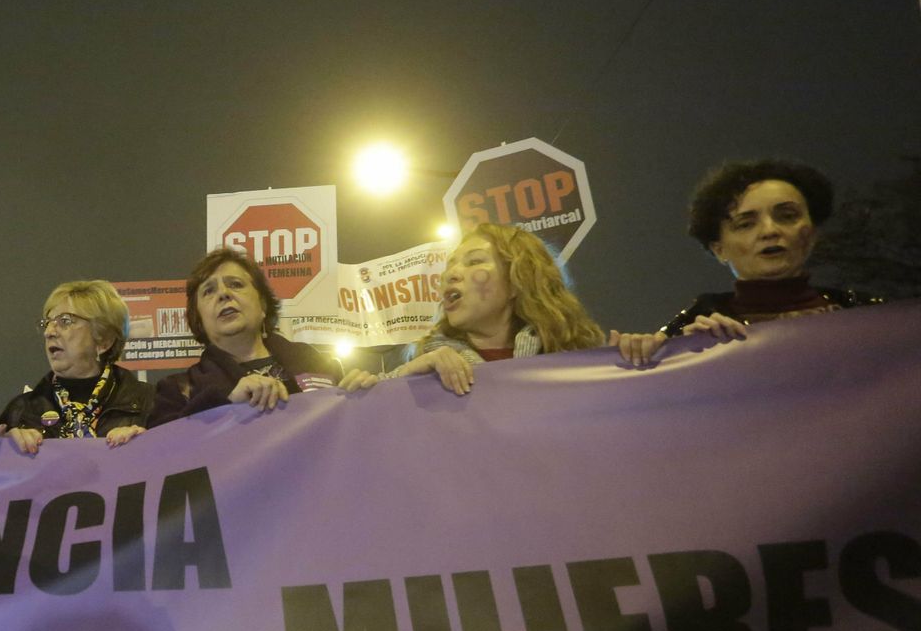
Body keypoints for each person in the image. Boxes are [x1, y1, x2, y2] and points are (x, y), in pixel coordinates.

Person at [613, 159, 883, 365]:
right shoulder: (694, 327)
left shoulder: (869, 315)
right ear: (718, 249)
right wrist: (651, 353)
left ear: (812, 233)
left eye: (787, 216)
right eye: (746, 224)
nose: (769, 231)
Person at [147, 248, 378, 427]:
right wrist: (225, 407)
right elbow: (164, 455)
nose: (224, 294)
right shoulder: (177, 390)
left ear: (263, 305)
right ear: (198, 318)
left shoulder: (323, 366)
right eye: (209, 291)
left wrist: (365, 401)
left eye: (236, 284)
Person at [386, 223, 604, 395]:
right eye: (450, 265)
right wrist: (401, 379)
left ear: (516, 281)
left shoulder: (577, 359)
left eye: (474, 262)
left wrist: (633, 361)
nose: (450, 274)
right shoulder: (426, 370)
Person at [0, 280, 153, 455]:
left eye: (65, 321)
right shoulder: (21, 411)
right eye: (47, 323)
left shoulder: (150, 403)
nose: (49, 332)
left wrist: (146, 446)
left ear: (104, 340)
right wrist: (6, 453)